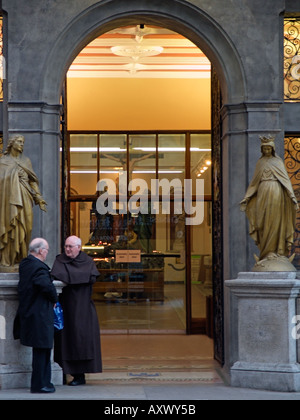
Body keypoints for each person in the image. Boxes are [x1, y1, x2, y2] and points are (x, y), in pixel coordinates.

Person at [51, 235, 102, 386]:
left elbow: (91, 277)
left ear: (79, 248)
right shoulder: (60, 260)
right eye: (66, 246)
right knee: (65, 341)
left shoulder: (88, 261)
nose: (67, 249)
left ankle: (80, 376)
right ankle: (64, 373)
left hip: (83, 309)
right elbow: (56, 275)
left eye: (70, 247)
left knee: (82, 341)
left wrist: (70, 277)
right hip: (65, 308)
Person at [240, 135, 299, 265]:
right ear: (262, 150)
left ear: (272, 149)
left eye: (268, 148)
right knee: (262, 222)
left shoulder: (278, 162)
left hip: (277, 194)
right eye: (264, 149)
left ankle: (277, 252)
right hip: (262, 194)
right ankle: (265, 252)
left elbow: (285, 181)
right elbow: (254, 183)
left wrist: (292, 197)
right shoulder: (260, 163)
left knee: (276, 221)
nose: (267, 151)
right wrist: (247, 197)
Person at [15, 238, 58, 393]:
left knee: (41, 350)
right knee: (43, 350)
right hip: (40, 314)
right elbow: (45, 285)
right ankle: (40, 384)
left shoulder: (25, 264)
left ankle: (43, 382)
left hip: (30, 313)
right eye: (46, 250)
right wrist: (55, 298)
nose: (47, 253)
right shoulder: (39, 268)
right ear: (40, 251)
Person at [0, 135, 47, 268]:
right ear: (12, 143)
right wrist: (13, 175)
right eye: (19, 142)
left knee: (27, 227)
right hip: (8, 201)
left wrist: (38, 197)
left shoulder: (26, 161)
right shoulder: (3, 162)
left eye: (23, 142)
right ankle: (8, 260)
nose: (22, 145)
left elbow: (32, 181)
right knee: (10, 228)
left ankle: (21, 257)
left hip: (25, 197)